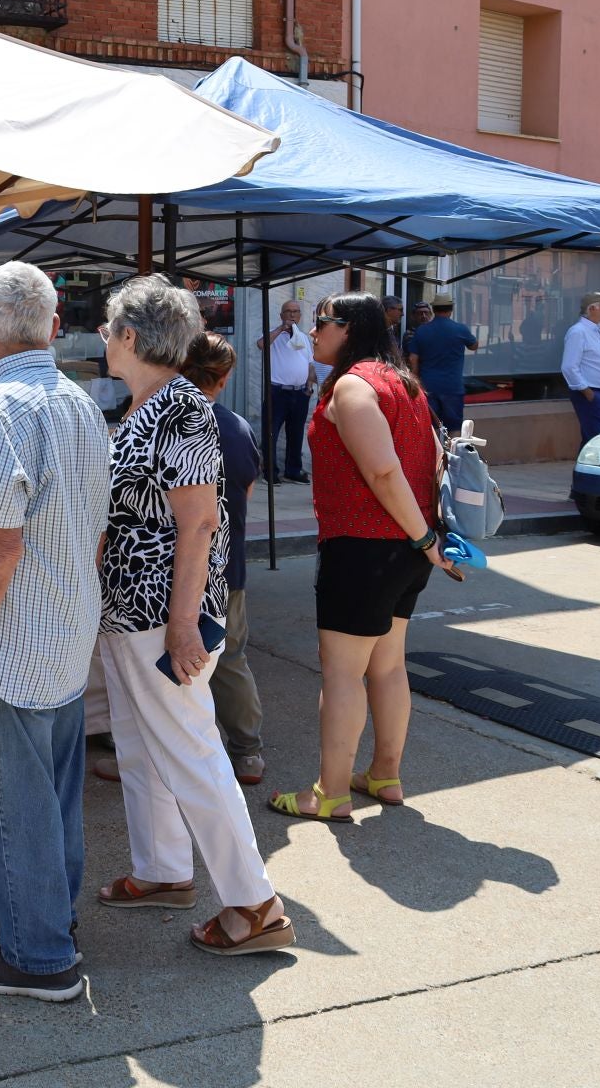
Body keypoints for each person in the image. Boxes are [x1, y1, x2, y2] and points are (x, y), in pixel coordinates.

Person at [94, 278, 293, 959]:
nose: (101, 337)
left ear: (129, 337)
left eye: (107, 326)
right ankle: (162, 870)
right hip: (134, 610)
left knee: (190, 750)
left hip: (158, 614)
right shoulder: (153, 404)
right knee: (144, 745)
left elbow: (200, 522)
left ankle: (254, 903)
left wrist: (183, 624)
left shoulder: (176, 408)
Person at [0, 261, 111, 1002]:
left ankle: (38, 953)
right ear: (55, 323)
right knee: (52, 793)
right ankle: (45, 919)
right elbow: (87, 528)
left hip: (11, 643)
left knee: (13, 804)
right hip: (65, 627)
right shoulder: (80, 404)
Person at [271, 292, 452, 824]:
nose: (314, 332)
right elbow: (430, 460)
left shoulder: (353, 386)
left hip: (365, 545)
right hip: (403, 548)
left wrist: (422, 539)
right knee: (389, 665)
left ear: (348, 328)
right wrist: (423, 540)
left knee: (344, 674)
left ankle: (330, 792)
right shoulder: (405, 384)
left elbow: (383, 471)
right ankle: (384, 774)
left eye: (322, 322)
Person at [179, 333, 267, 785]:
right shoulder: (235, 427)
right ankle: (247, 751)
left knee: (163, 662)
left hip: (168, 566)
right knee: (229, 657)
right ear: (226, 377)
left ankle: (153, 746)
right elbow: (246, 489)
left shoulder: (166, 420)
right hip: (225, 564)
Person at [255, 299, 313, 483]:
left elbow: (310, 363)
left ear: (300, 316)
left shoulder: (303, 337)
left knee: (296, 433)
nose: (292, 315)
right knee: (270, 433)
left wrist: (309, 386)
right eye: (288, 311)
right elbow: (261, 344)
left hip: (300, 392)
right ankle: (270, 472)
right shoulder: (274, 334)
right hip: (277, 392)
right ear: (282, 315)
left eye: (296, 311)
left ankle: (293, 470)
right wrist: (281, 329)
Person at [405, 292, 479, 434]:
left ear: (434, 309)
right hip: (452, 387)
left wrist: (415, 383)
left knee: (430, 428)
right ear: (451, 309)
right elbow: (474, 345)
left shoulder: (421, 331)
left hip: (428, 386)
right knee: (454, 428)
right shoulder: (460, 329)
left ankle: (434, 456)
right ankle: (451, 456)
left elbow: (413, 359)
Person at [561, 290, 600, 443]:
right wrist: (586, 391)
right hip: (591, 393)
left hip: (599, 392)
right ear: (592, 309)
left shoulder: (594, 330)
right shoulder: (578, 332)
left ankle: (582, 468)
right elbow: (569, 366)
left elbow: (592, 361)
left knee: (591, 438)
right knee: (598, 439)